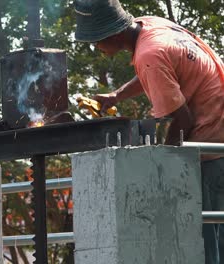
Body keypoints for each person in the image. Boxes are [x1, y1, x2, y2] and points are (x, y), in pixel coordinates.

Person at [73, 0, 224, 263]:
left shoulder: (148, 56)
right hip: (219, 134)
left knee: (205, 243)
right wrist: (116, 95)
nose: (95, 47)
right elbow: (156, 69)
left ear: (113, 33)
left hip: (210, 144)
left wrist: (160, 163)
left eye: (96, 40)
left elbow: (182, 120)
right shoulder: (151, 26)